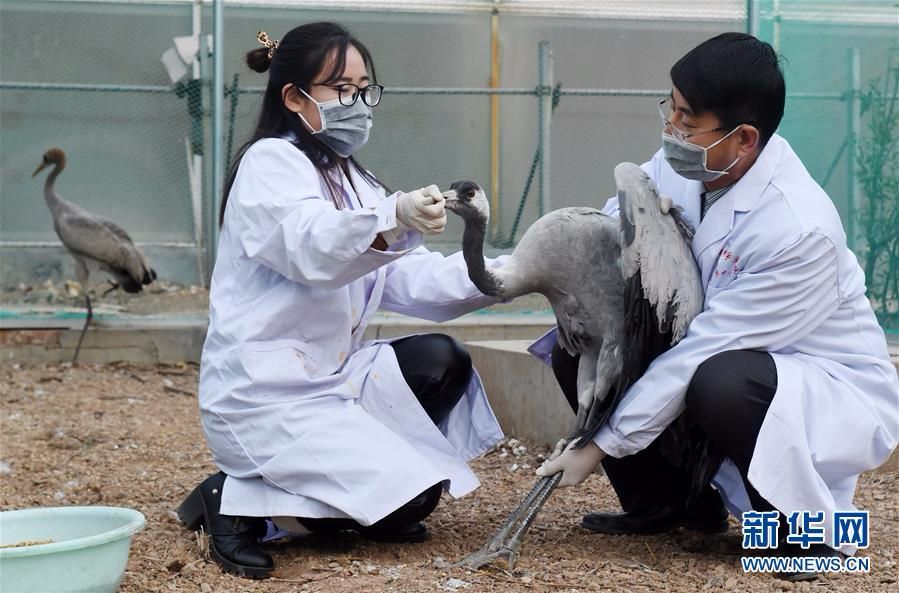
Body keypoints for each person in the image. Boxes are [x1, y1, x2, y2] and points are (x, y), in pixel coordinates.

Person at [534, 32, 898, 581]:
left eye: (686, 120)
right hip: (720, 351)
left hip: (813, 379)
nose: (670, 130)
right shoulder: (686, 164)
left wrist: (598, 446)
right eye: (670, 111)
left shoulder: (798, 229)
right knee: (581, 344)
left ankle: (803, 539)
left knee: (718, 380)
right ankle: (670, 505)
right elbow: (618, 229)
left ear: (744, 138)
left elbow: (708, 343)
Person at [177, 22, 509, 579]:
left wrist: (515, 272)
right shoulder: (270, 162)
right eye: (340, 88)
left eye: (363, 88)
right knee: (411, 504)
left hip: (330, 383)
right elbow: (312, 245)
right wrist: (392, 217)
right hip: (264, 399)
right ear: (294, 96)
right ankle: (234, 502)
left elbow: (412, 280)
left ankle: (346, 484)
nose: (356, 102)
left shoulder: (351, 175)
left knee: (441, 360)